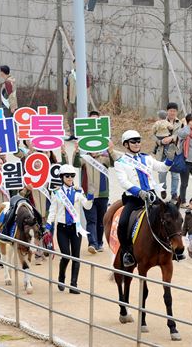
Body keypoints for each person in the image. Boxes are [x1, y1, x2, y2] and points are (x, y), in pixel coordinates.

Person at [114, 129, 174, 268]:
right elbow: (124, 182)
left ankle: (173, 247)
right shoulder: (121, 162)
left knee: (171, 215)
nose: (136, 144)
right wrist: (139, 192)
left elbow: (163, 168)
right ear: (126, 144)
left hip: (151, 196)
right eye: (133, 141)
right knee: (123, 223)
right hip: (134, 198)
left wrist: (170, 158)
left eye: (138, 141)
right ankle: (127, 252)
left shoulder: (146, 158)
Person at [45, 164, 93, 293]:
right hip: (62, 229)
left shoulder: (78, 191)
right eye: (67, 176)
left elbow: (87, 206)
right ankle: (61, 278)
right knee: (66, 255)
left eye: (72, 176)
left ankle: (73, 285)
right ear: (62, 177)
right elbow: (53, 211)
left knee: (76, 257)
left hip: (75, 228)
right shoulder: (57, 193)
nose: (70, 178)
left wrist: (90, 196)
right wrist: (48, 226)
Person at [73, 136, 117, 254]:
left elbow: (114, 163)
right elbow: (76, 164)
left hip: (103, 194)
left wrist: (111, 150)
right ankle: (92, 243)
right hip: (88, 195)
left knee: (101, 221)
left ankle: (99, 243)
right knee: (91, 220)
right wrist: (76, 151)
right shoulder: (84, 158)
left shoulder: (104, 158)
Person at [152, 102, 181, 203]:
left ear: (177, 112)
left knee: (175, 175)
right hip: (162, 151)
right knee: (162, 173)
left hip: (175, 151)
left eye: (174, 111)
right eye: (170, 110)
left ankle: (174, 194)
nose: (172, 112)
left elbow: (181, 135)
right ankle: (163, 189)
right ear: (167, 111)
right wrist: (160, 141)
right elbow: (153, 136)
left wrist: (172, 138)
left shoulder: (180, 123)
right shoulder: (160, 122)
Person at [177, 113, 192, 206]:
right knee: (184, 184)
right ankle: (182, 201)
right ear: (187, 122)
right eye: (191, 121)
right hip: (185, 161)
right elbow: (185, 133)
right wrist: (186, 125)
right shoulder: (182, 131)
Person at [64, 64, 77, 140]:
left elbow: (88, 87)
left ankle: (79, 134)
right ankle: (72, 134)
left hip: (79, 99)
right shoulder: (70, 75)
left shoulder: (84, 74)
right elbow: (66, 86)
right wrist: (65, 97)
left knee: (78, 117)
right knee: (69, 116)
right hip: (70, 99)